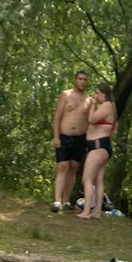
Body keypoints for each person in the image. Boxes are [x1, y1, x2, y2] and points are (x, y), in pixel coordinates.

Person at [51, 70, 90, 213]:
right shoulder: (66, 95)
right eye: (80, 79)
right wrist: (56, 136)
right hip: (64, 135)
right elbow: (57, 116)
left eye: (85, 79)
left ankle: (66, 200)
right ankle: (57, 200)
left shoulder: (89, 100)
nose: (82, 81)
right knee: (62, 167)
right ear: (75, 80)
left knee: (73, 168)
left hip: (80, 138)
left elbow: (91, 120)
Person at [78, 81, 116, 220]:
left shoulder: (107, 105)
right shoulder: (110, 106)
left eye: (98, 93)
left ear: (104, 94)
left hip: (98, 146)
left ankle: (87, 210)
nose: (95, 95)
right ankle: (97, 211)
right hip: (100, 146)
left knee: (87, 178)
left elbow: (92, 119)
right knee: (98, 180)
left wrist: (93, 104)